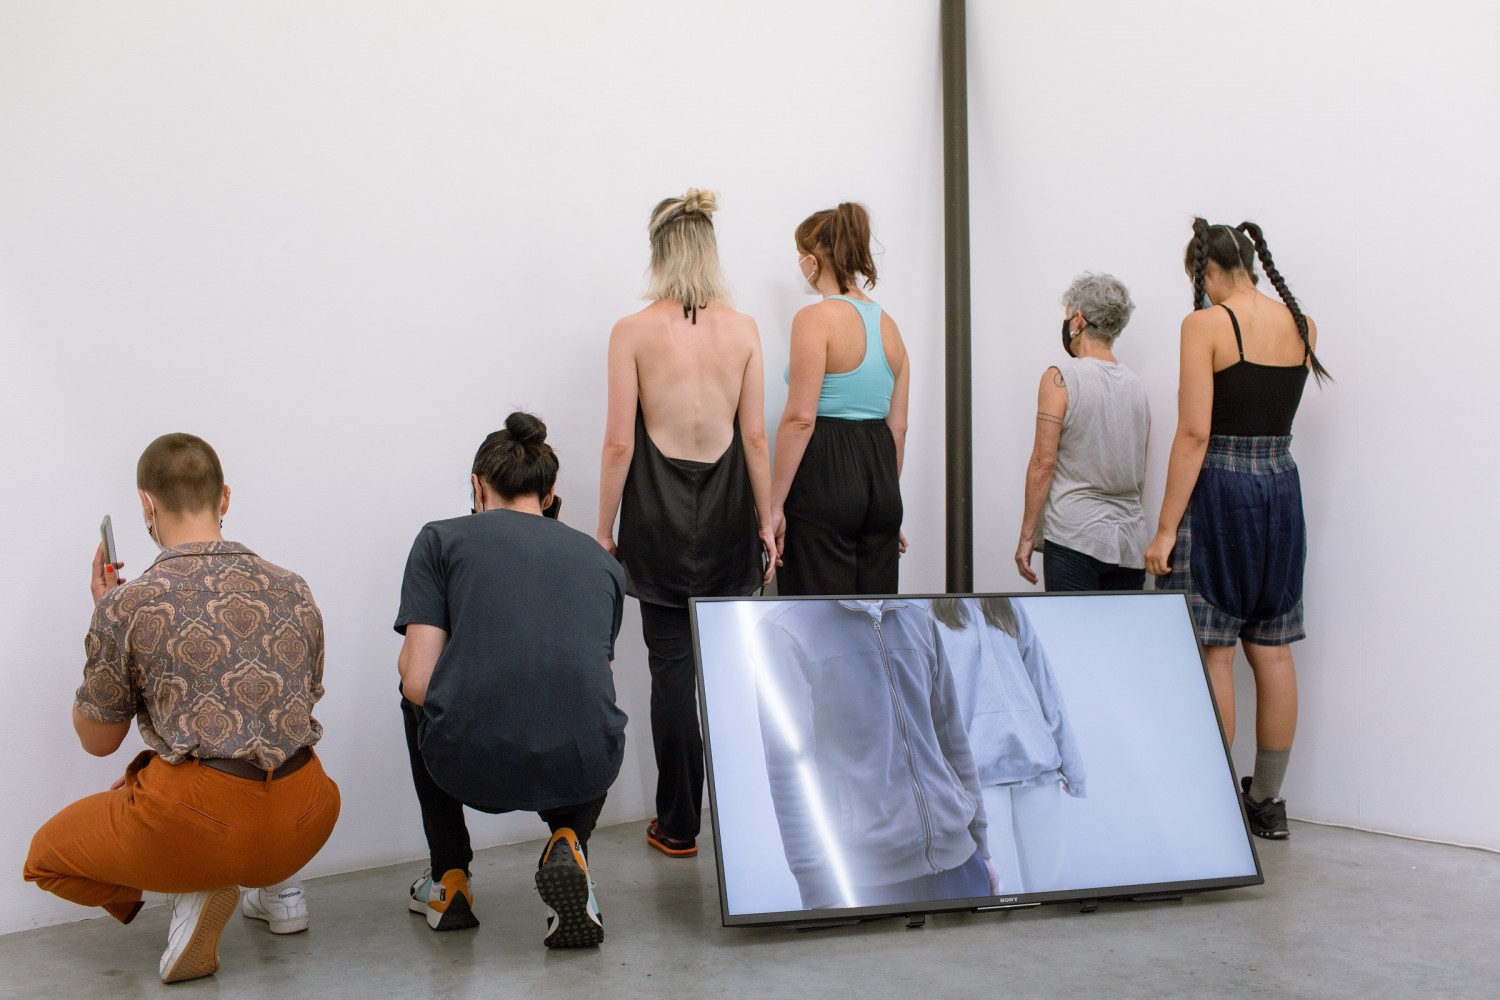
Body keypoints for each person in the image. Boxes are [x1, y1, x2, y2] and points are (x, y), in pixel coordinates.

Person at [24, 433, 340, 984]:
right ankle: (272, 888)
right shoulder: (294, 588)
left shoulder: (128, 604)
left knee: (43, 858)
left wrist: (105, 619)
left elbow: (98, 741)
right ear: (225, 497)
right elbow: (299, 702)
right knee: (232, 770)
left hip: (200, 821)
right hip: (309, 816)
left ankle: (192, 886)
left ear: (146, 505)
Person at [398, 412, 627, 947]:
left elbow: (419, 682)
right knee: (577, 704)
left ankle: (449, 879)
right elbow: (589, 677)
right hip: (586, 764)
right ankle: (571, 843)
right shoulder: (600, 561)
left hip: (470, 764)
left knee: (410, 693)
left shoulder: (440, 539)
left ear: (478, 486)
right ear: (549, 495)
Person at [595, 188, 775, 859]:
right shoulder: (745, 329)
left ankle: (678, 826)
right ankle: (746, 823)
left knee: (671, 675)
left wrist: (603, 529)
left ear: (659, 251)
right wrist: (768, 521)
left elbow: (620, 443)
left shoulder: (632, 331)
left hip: (659, 521)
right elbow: (754, 438)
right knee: (726, 674)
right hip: (727, 515)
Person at [1144, 219, 1329, 840]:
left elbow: (1195, 434)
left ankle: (1215, 801)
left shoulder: (1204, 325)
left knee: (1215, 649)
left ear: (1206, 271)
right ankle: (1267, 803)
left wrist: (1165, 530)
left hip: (1221, 490)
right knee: (1272, 648)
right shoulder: (1301, 325)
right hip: (1280, 486)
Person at [755, 598, 998, 908]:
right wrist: (818, 890)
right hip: (866, 881)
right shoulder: (786, 629)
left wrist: (981, 848)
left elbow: (952, 737)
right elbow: (789, 767)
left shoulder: (918, 619)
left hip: (961, 865)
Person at [770, 202, 911, 596]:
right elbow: (898, 427)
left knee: (817, 615)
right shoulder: (890, 327)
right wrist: (885, 498)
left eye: (800, 257)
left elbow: (800, 419)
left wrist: (774, 506)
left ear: (813, 261)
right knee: (872, 615)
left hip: (825, 473)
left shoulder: (814, 320)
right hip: (881, 478)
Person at [928, 597, 1085, 893]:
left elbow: (1043, 680)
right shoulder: (925, 611)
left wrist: (1073, 766)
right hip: (977, 772)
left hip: (1036, 762)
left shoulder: (1007, 604)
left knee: (1054, 884)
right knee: (1000, 887)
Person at [1015, 273, 1151, 591]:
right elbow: (1139, 473)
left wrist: (1026, 536)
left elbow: (1043, 463)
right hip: (1129, 543)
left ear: (1078, 319)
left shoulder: (1060, 378)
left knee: (1070, 625)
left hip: (1074, 538)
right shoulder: (1137, 388)